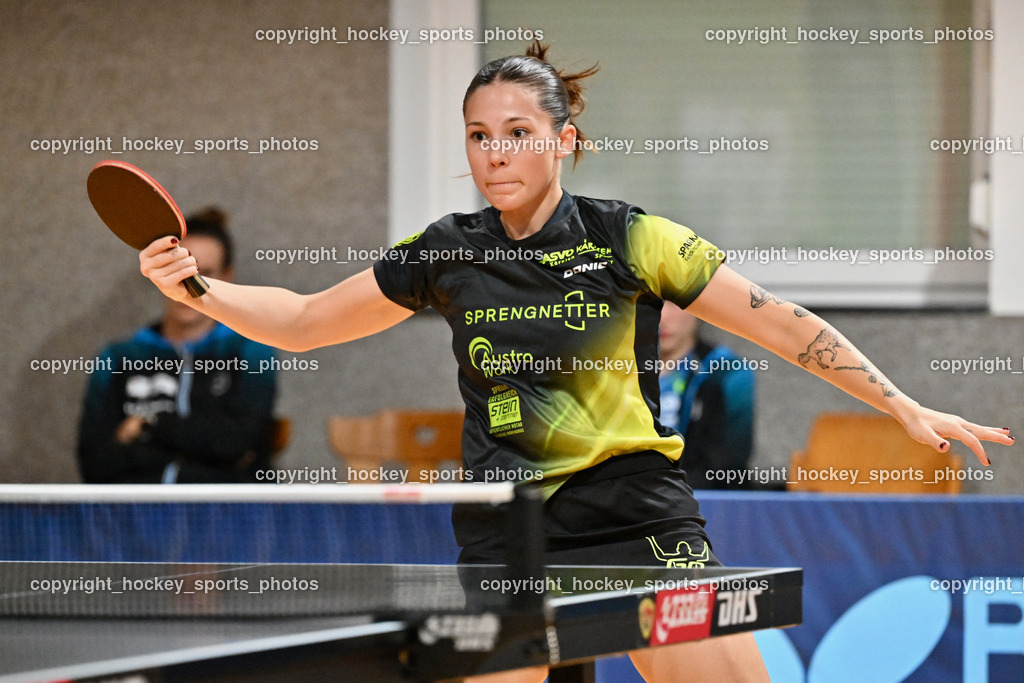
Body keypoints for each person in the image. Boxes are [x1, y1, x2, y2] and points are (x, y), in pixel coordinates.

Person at [136, 42, 1011, 682]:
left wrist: (903, 405)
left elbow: (780, 325)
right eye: (479, 136)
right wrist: (201, 289)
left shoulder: (630, 236)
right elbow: (302, 320)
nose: (496, 153)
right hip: (507, 528)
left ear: (565, 139)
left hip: (635, 518)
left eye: (518, 131)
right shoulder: (446, 251)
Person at [78, 208, 278, 484]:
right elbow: (96, 464)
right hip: (134, 517)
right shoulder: (119, 357)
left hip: (227, 517)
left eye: (205, 272)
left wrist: (147, 425)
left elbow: (237, 445)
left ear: (228, 277)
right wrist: (204, 449)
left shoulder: (252, 350)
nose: (190, 284)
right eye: (179, 271)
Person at [658, 301, 756, 489]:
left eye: (674, 304)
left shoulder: (727, 372)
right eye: (652, 303)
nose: (662, 317)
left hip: (705, 503)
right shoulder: (612, 371)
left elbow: (728, 463)